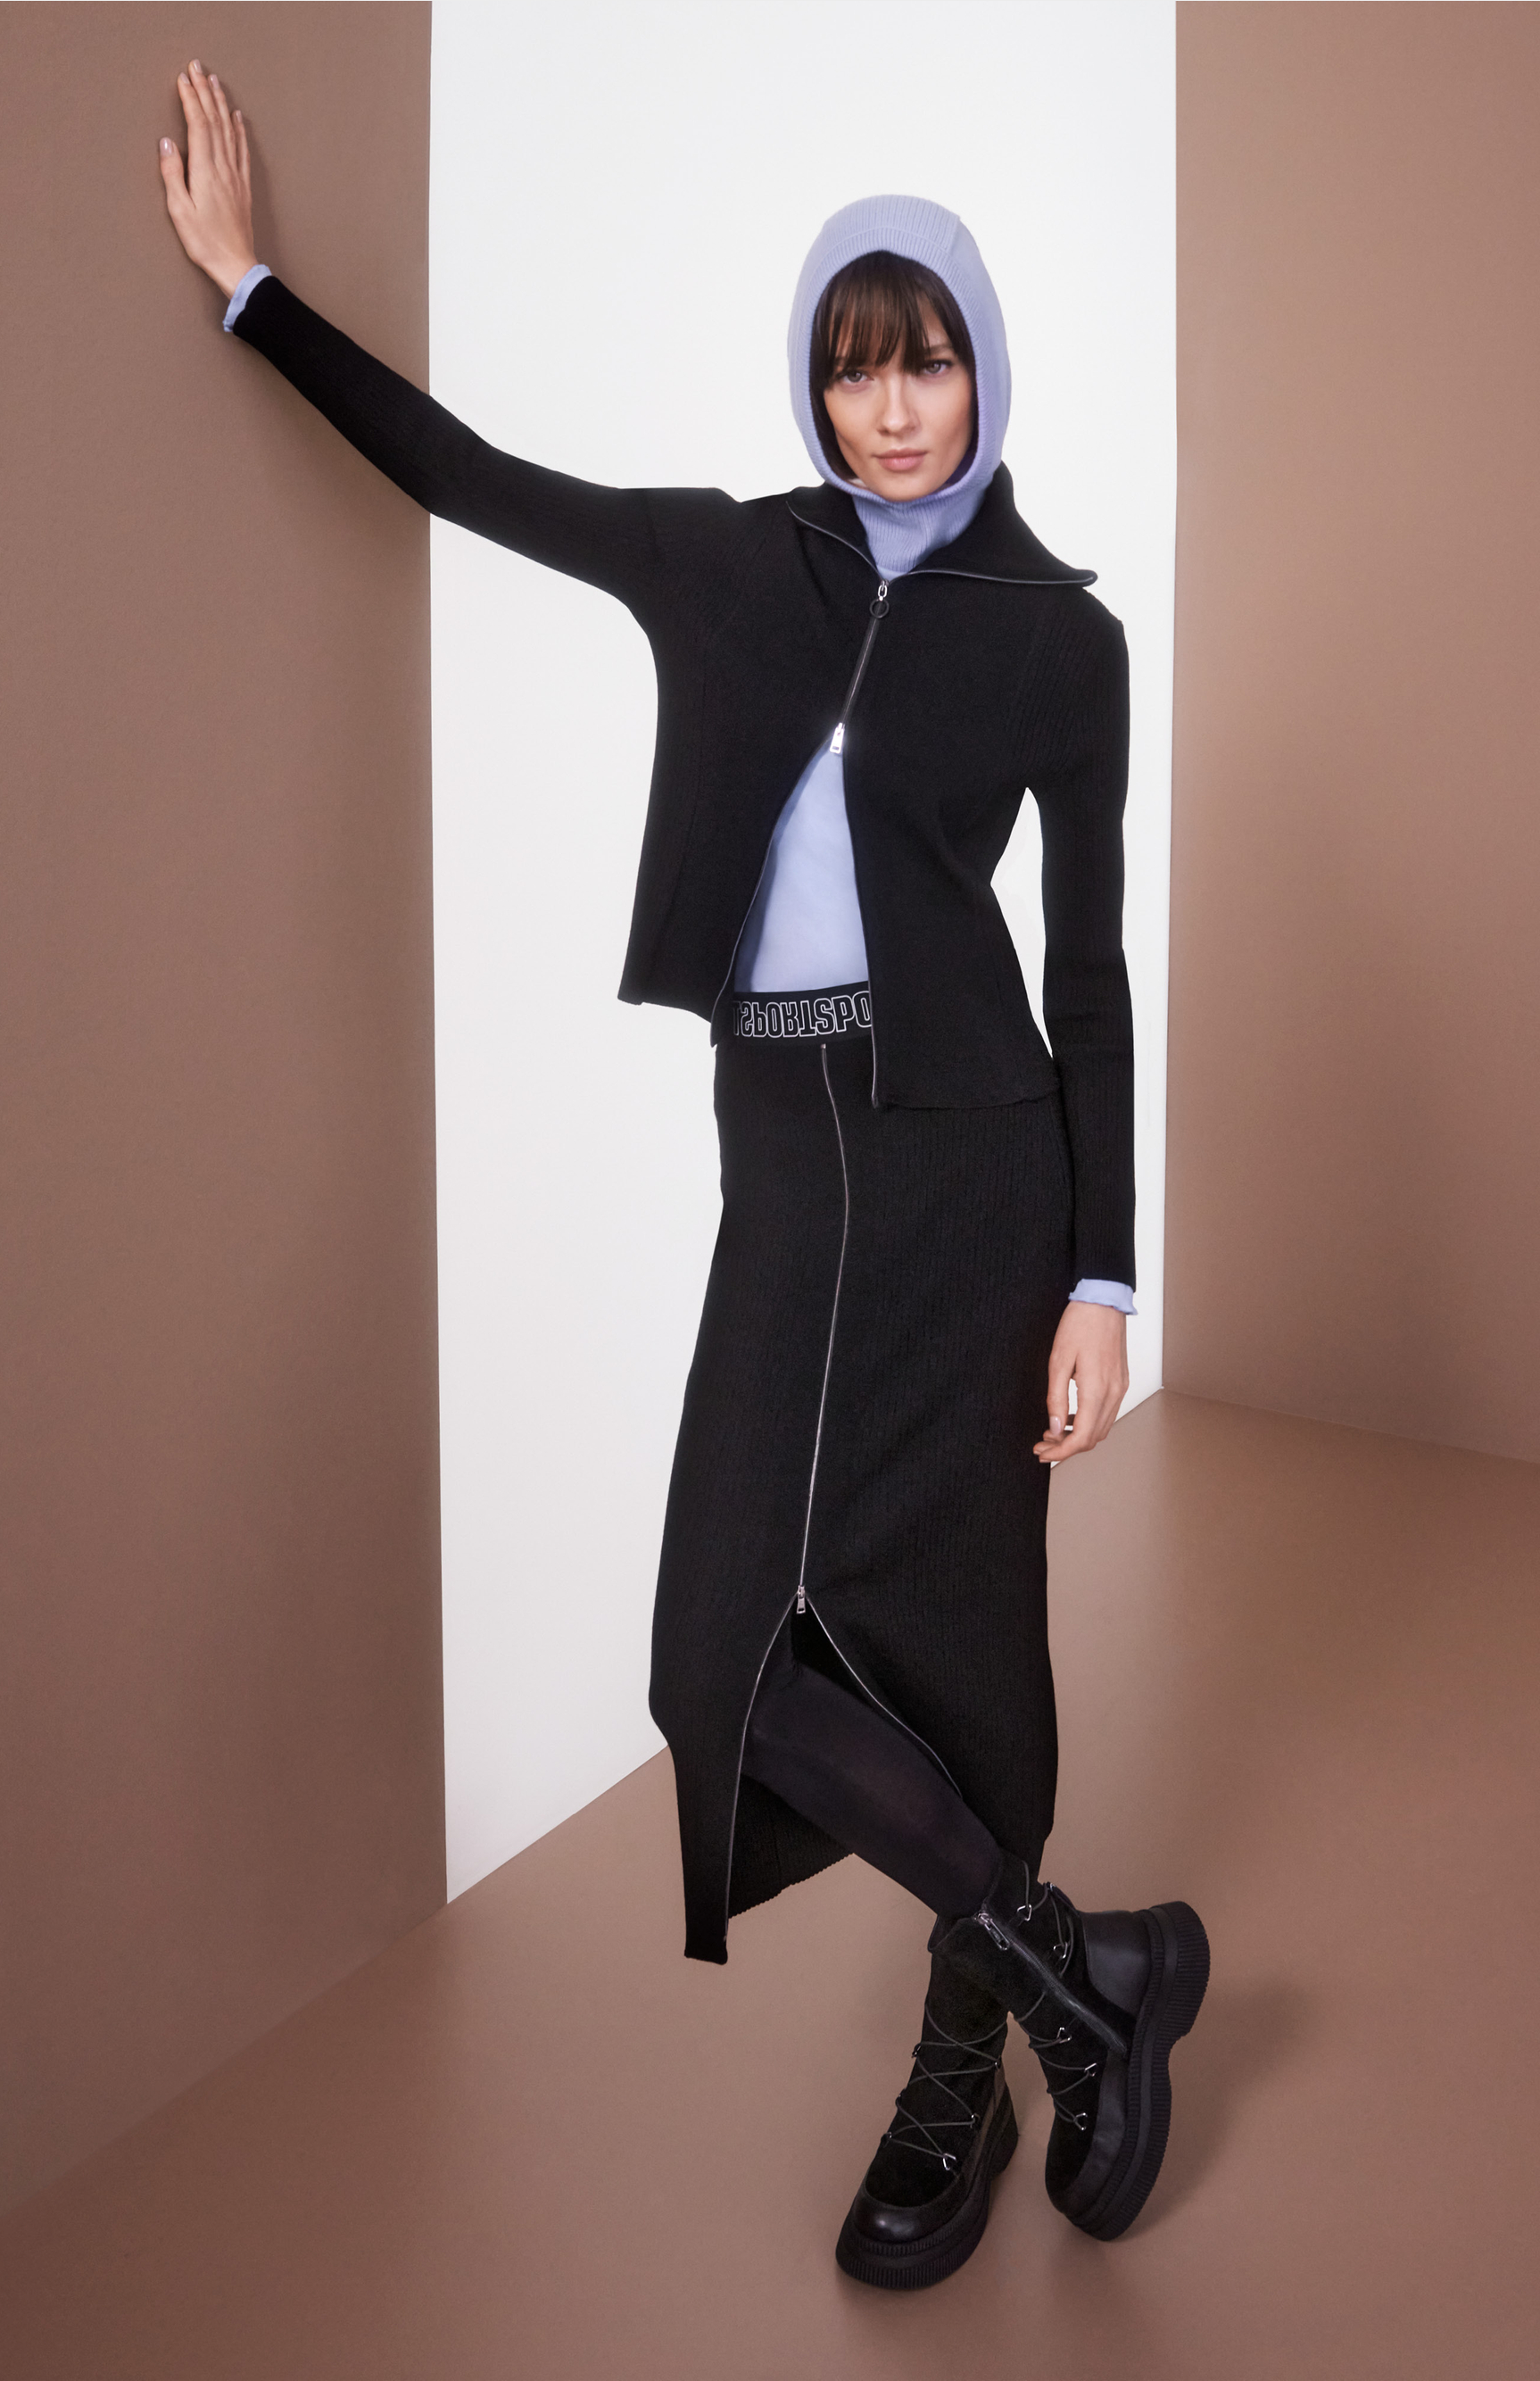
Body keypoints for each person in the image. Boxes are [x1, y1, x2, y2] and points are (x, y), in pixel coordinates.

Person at [160, 59, 1208, 2293]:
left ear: (986, 367)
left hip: (975, 1172)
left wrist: (1103, 1275)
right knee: (712, 1649)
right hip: (784, 1156)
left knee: (960, 1642)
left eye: (926, 361)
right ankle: (1079, 1976)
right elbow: (471, 474)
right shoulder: (735, 560)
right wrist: (252, 293)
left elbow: (1092, 972)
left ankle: (966, 2056)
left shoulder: (1062, 637)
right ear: (811, 381)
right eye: (853, 364)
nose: (890, 410)